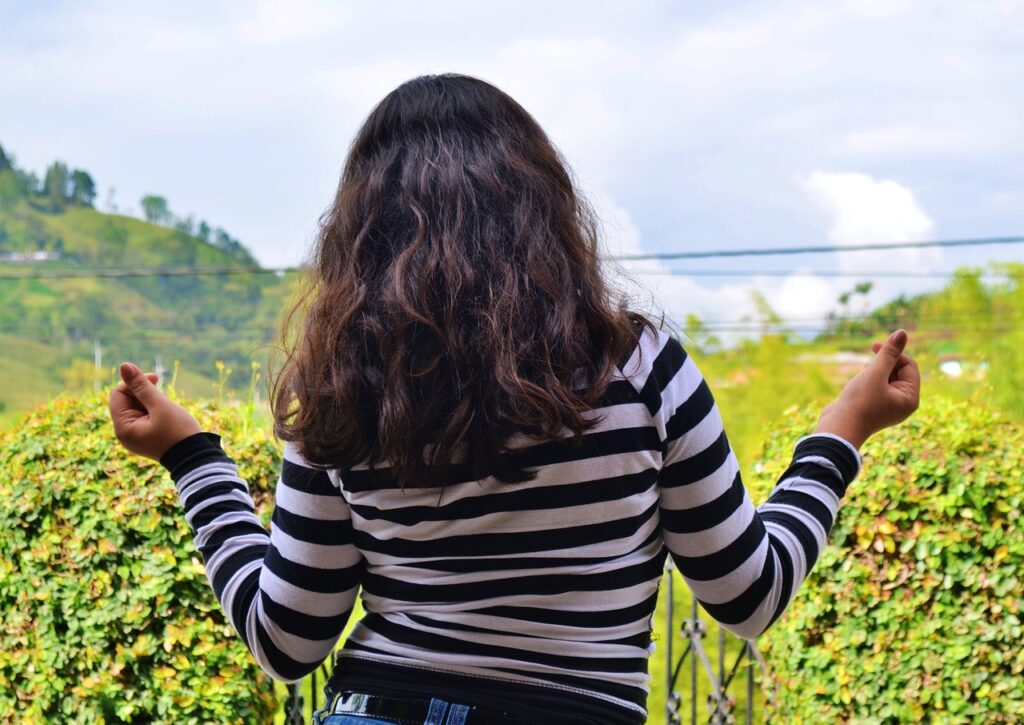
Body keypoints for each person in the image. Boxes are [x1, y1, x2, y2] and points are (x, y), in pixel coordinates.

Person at [109, 74, 920, 725]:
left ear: (362, 227)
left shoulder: (344, 386)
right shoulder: (639, 369)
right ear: (541, 204)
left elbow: (288, 639)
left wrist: (191, 457)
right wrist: (842, 427)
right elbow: (747, 594)